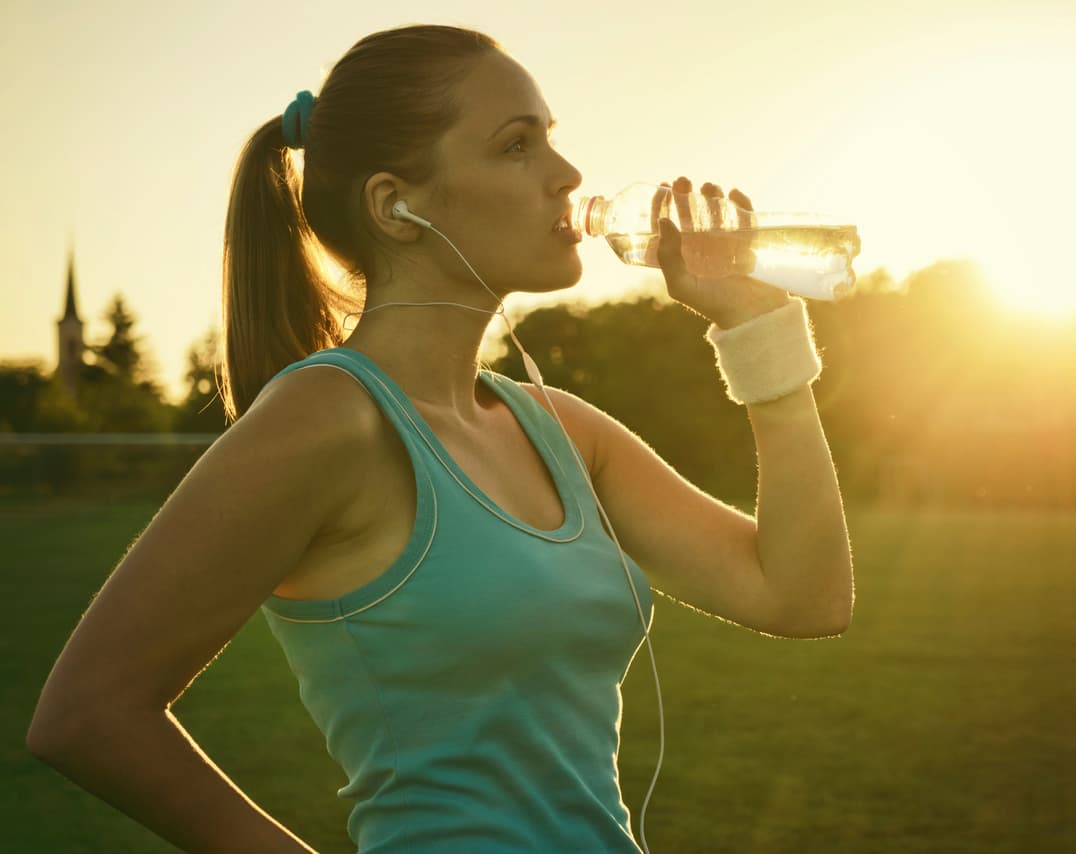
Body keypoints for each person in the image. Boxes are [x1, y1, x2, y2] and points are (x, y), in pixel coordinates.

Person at [26, 23, 854, 854]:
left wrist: (759, 324)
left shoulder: (559, 428)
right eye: (517, 146)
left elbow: (802, 597)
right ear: (397, 205)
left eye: (551, 141)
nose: (566, 176)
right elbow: (87, 714)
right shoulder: (329, 418)